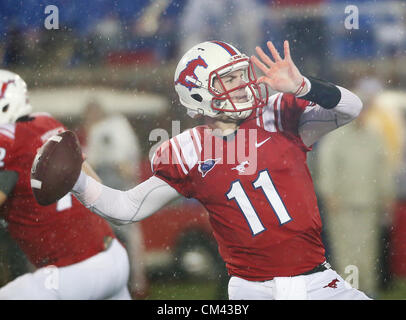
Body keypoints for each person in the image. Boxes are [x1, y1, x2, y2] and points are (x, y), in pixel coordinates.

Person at [69, 40, 370, 299]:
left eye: (241, 74)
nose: (242, 84)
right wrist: (77, 179)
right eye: (228, 78)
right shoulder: (186, 151)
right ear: (198, 93)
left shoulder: (276, 114)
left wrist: (305, 86)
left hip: (316, 280)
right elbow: (126, 207)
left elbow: (351, 108)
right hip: (252, 289)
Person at [0, 69, 131, 300]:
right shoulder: (47, 122)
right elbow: (95, 182)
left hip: (69, 273)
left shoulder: (6, 140)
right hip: (113, 255)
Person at [316, 91, 395, 298]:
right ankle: (349, 293)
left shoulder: (374, 136)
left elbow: (382, 167)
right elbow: (327, 166)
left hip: (369, 203)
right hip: (343, 204)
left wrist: (386, 195)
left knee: (368, 251)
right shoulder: (336, 136)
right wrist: (329, 194)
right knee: (346, 252)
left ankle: (367, 291)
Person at [77, 101, 149, 299]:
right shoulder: (91, 136)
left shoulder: (113, 130)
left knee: (128, 242)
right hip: (103, 199)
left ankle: (135, 286)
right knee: (110, 243)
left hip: (119, 195)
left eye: (92, 114)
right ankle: (120, 285)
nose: (89, 120)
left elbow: (124, 166)